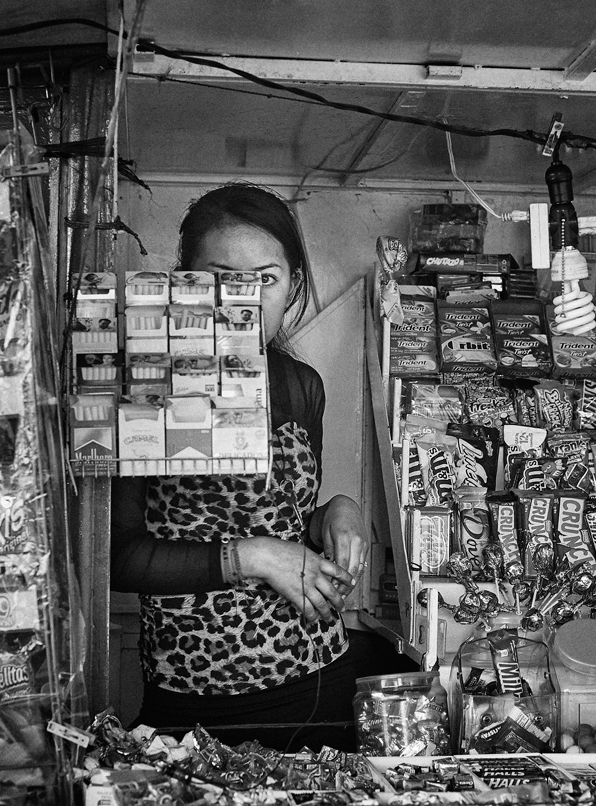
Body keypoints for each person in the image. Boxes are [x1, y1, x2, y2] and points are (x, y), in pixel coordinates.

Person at [111, 182, 396, 751]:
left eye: (265, 278)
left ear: (292, 284)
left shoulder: (300, 385)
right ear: (183, 280)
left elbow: (284, 520)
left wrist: (338, 512)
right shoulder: (139, 388)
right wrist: (255, 557)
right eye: (219, 277)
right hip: (190, 696)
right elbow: (116, 558)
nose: (243, 300)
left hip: (318, 679)